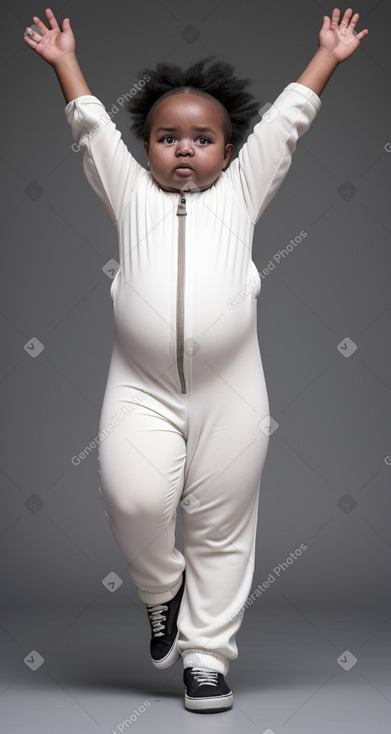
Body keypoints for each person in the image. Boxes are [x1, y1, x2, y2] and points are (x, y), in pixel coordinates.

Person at [24, 7, 369, 714]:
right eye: (166, 137)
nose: (184, 150)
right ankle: (160, 592)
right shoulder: (130, 194)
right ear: (146, 146)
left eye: (202, 139)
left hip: (231, 391)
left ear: (226, 147)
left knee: (221, 526)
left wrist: (326, 57)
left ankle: (206, 657)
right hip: (139, 386)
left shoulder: (242, 194)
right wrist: (65, 62)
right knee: (132, 496)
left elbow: (285, 124)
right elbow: (91, 128)